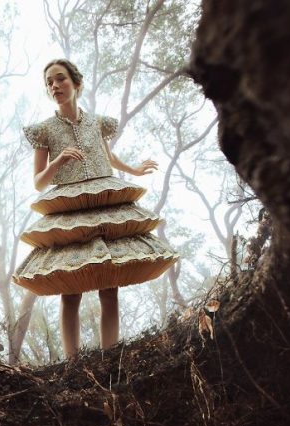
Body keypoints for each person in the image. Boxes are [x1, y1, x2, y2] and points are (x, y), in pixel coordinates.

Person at [13, 59, 178, 358]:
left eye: (60, 79)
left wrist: (135, 170)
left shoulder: (97, 122)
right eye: (49, 82)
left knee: (110, 284)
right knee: (70, 289)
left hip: (105, 202)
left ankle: (110, 358)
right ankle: (73, 363)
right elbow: (38, 182)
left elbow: (107, 156)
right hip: (69, 208)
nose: (54, 86)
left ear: (76, 83)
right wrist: (59, 160)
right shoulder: (44, 130)